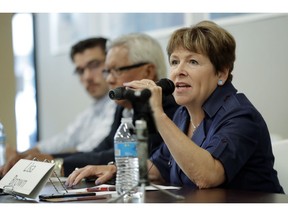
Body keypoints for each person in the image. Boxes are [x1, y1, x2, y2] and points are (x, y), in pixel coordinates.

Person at [65, 20, 284, 194]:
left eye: (193, 62)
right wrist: (114, 169)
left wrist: (158, 114)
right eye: (174, 61)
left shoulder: (240, 116)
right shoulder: (182, 115)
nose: (179, 70)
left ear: (222, 73)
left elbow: (207, 176)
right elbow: (156, 168)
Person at [0, 37, 116, 177]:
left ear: (111, 63)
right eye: (80, 71)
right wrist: (24, 154)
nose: (87, 77)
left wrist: (44, 159)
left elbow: (92, 151)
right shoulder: (93, 110)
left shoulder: (120, 105)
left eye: (94, 65)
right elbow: (65, 138)